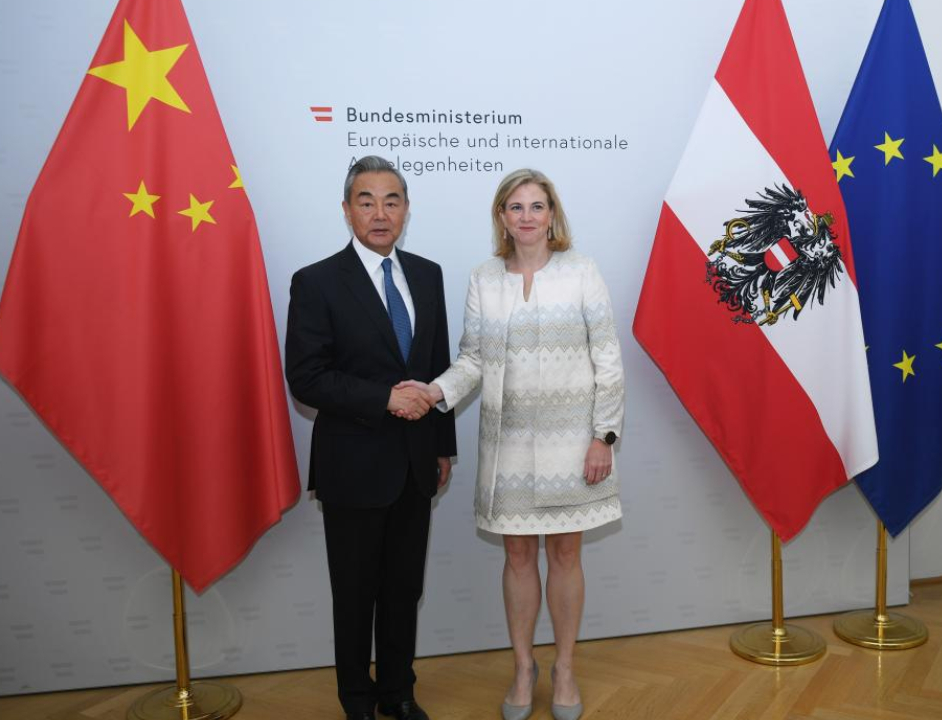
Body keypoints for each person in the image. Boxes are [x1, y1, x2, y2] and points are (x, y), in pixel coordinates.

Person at [398, 169, 624, 720]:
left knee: (565, 553)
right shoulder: (484, 278)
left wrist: (604, 436)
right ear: (502, 217)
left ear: (553, 216)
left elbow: (609, 361)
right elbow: (472, 359)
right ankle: (524, 666)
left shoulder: (582, 272)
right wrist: (433, 391)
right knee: (518, 555)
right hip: (507, 448)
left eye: (537, 206)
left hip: (575, 445)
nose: (527, 216)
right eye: (515, 207)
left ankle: (564, 667)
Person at [285, 155, 457, 720]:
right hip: (353, 464)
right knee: (356, 594)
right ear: (346, 210)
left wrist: (443, 446)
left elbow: (438, 367)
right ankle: (356, 700)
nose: (379, 213)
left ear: (406, 210)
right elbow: (306, 377)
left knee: (404, 589)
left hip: (414, 462)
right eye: (366, 200)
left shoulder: (428, 275)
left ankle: (398, 693)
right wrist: (383, 398)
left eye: (391, 201)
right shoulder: (315, 282)